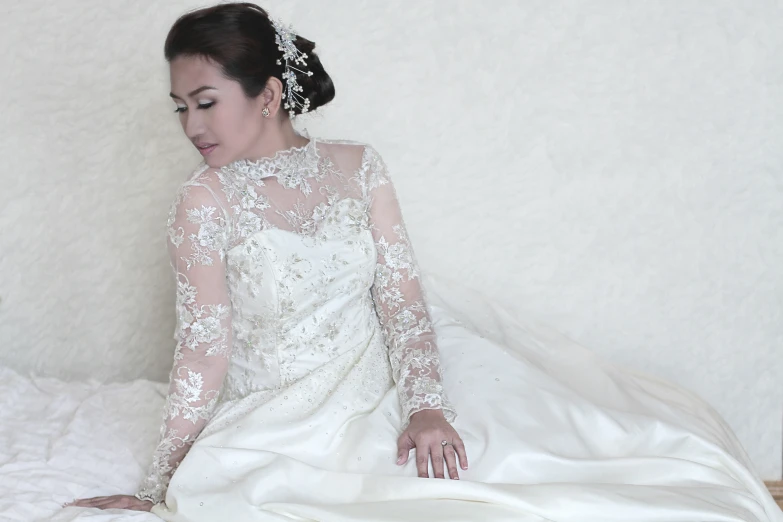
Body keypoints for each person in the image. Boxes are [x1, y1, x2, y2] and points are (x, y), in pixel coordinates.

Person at [67, 3, 782, 521]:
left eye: (204, 102)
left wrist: (427, 407)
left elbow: (402, 300)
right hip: (279, 415)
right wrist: (160, 484)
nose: (190, 127)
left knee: (574, 454)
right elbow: (202, 355)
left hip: (382, 378)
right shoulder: (204, 201)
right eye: (178, 108)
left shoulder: (357, 166)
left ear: (270, 93)